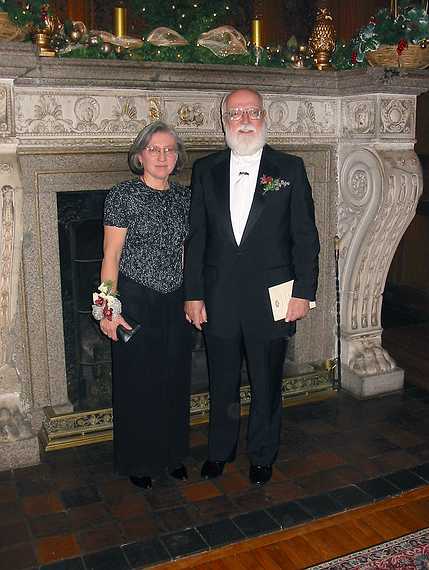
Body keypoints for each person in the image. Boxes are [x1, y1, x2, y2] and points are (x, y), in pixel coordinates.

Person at [184, 88, 320, 486]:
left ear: (265, 117)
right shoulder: (205, 169)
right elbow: (197, 238)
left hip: (273, 298)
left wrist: (304, 293)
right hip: (219, 297)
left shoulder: (289, 168)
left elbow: (305, 237)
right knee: (221, 381)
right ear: (223, 121)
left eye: (253, 112)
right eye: (236, 113)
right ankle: (220, 451)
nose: (245, 119)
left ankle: (262, 454)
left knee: (267, 383)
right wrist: (193, 294)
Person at [96, 121, 192, 489]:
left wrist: (192, 298)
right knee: (138, 385)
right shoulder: (122, 195)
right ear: (140, 156)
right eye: (154, 149)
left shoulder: (186, 198)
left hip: (176, 300)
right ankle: (139, 459)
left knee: (175, 379)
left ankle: (173, 455)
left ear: (177, 157)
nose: (162, 156)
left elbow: (186, 253)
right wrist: (108, 308)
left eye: (169, 150)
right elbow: (110, 256)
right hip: (134, 299)